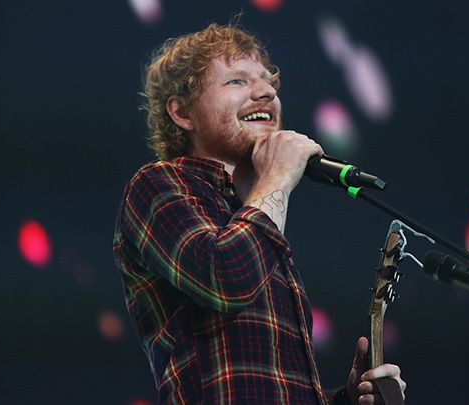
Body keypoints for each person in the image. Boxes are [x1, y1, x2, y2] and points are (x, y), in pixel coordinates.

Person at [113, 23, 406, 404]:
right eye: (236, 81)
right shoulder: (157, 185)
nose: (266, 92)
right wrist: (279, 178)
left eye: (270, 83)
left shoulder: (253, 220)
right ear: (182, 112)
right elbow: (226, 279)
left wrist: (348, 400)